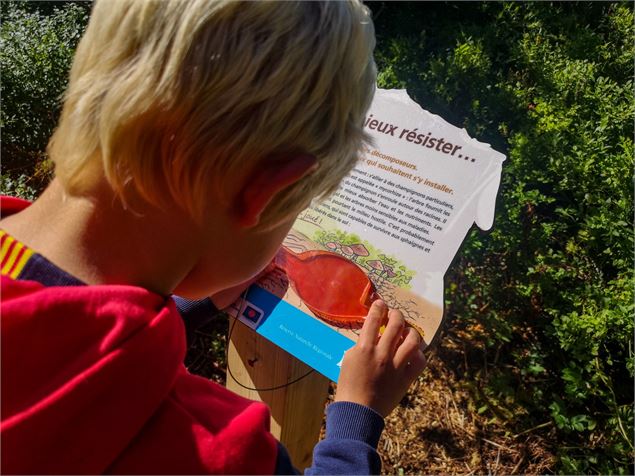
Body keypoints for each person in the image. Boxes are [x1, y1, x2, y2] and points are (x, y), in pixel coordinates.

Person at [0, 0, 426, 474]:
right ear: (264, 194)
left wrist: (192, 301)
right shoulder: (215, 452)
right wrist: (355, 418)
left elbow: (72, 350)